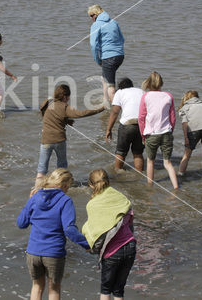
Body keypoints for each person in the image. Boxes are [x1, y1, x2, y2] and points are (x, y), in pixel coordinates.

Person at [17, 168, 90, 300]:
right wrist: (87, 244)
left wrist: (29, 201)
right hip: (53, 252)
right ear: (64, 185)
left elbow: (21, 223)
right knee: (54, 290)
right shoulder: (65, 200)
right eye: (68, 187)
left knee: (37, 287)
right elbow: (69, 230)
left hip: (33, 252)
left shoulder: (35, 197)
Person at [82, 169, 136, 300]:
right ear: (109, 182)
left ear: (91, 185)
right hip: (130, 246)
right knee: (118, 290)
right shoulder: (121, 197)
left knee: (105, 290)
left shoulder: (92, 205)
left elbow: (95, 230)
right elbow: (130, 222)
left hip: (112, 251)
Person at [37, 85, 105, 183]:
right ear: (65, 96)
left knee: (42, 169)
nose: (68, 100)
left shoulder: (48, 103)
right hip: (59, 140)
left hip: (46, 141)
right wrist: (101, 108)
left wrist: (66, 121)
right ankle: (62, 187)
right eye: (68, 97)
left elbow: (48, 114)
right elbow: (82, 113)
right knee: (62, 167)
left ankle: (36, 191)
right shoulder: (64, 107)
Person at [138, 72, 178, 189]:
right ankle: (176, 187)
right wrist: (171, 131)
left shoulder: (145, 96)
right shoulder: (168, 96)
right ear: (161, 83)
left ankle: (150, 186)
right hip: (166, 132)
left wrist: (142, 135)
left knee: (150, 161)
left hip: (151, 133)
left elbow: (141, 117)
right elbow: (173, 118)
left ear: (149, 83)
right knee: (168, 163)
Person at [105, 78, 145, 172]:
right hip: (141, 125)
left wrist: (108, 129)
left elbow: (115, 112)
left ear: (120, 87)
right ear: (131, 85)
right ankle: (139, 175)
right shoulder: (141, 91)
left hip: (127, 125)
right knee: (138, 153)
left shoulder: (120, 92)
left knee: (121, 152)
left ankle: (118, 174)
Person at [88, 5, 125, 106]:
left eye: (91, 16)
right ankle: (105, 101)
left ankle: (116, 111)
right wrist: (118, 50)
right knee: (105, 77)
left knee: (110, 86)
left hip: (109, 57)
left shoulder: (96, 25)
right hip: (120, 56)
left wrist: (98, 60)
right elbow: (122, 39)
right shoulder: (113, 22)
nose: (91, 19)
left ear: (95, 15)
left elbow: (93, 45)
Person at [177, 91, 202, 176]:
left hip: (194, 129)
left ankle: (180, 174)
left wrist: (186, 137)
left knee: (187, 154)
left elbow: (185, 123)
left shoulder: (185, 107)